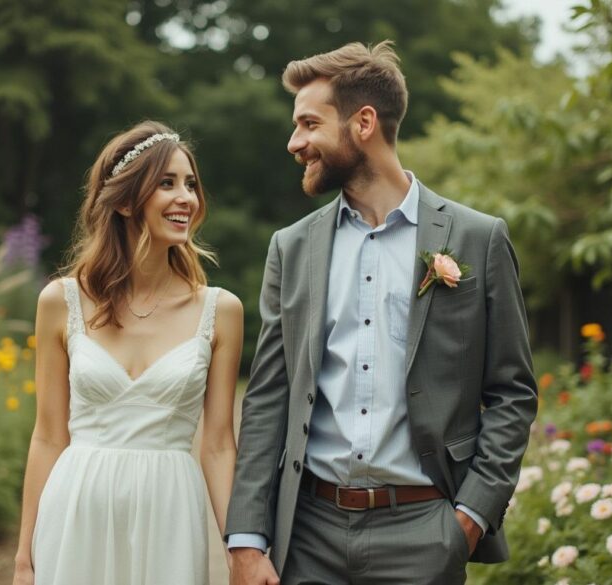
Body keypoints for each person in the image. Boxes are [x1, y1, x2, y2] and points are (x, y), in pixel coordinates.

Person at [225, 41, 538, 585]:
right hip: (309, 534)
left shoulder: (477, 238)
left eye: (308, 123)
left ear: (363, 122)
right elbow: (268, 396)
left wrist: (468, 519)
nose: (294, 142)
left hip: (426, 531)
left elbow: (513, 391)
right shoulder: (291, 247)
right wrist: (247, 540)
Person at [12, 120, 243, 585]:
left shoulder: (220, 311)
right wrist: (23, 559)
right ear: (122, 200)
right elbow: (48, 437)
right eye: (167, 183)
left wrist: (241, 550)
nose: (187, 198)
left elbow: (218, 446)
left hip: (171, 513)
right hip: (77, 507)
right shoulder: (61, 301)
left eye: (191, 184)